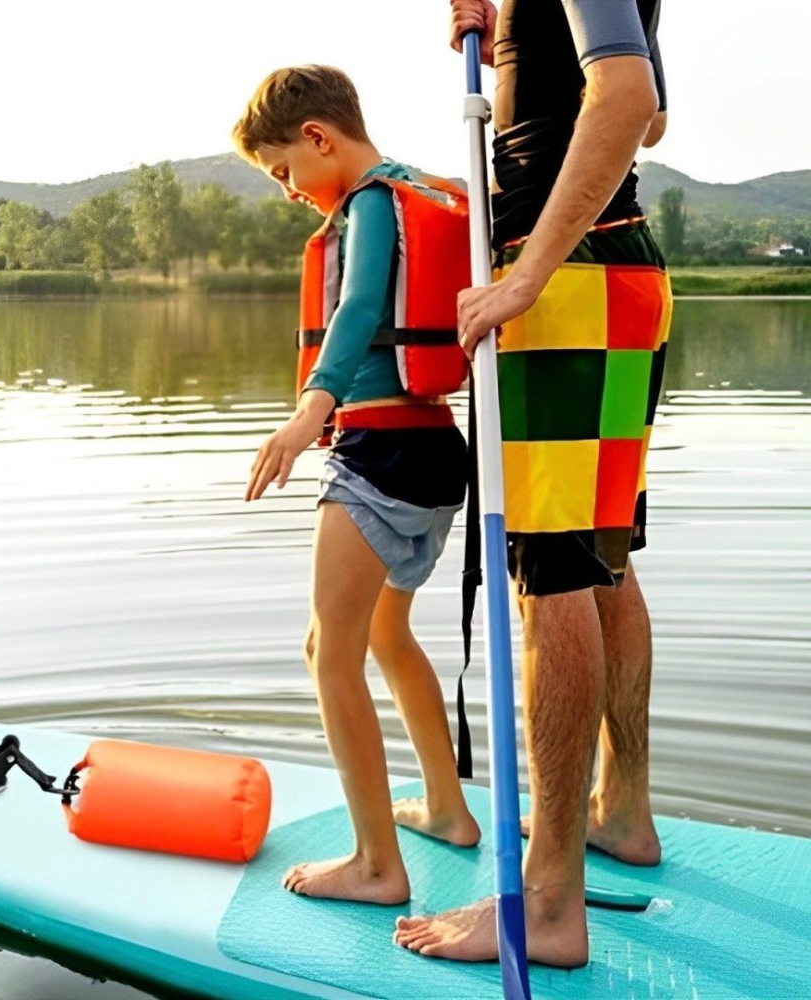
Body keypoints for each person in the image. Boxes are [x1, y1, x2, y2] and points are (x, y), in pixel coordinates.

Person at [393, 0, 671, 967]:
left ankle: (548, 907)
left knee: (549, 577)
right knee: (600, 563)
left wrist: (526, 273)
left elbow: (626, 99)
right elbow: (650, 110)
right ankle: (620, 812)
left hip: (566, 284)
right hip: (613, 270)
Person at [233, 65, 480, 905]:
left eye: (284, 172)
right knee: (384, 635)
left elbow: (358, 304)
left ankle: (376, 865)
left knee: (324, 651)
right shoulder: (420, 192)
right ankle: (448, 810)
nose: (290, 192)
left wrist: (310, 415)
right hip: (433, 449)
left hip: (378, 449)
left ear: (317, 138)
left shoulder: (373, 203)